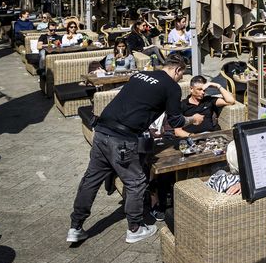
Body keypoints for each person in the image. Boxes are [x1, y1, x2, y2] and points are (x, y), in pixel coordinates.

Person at [68, 55, 200, 244]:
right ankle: (135, 228)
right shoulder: (171, 86)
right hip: (122, 139)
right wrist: (193, 119)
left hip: (102, 131)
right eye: (181, 75)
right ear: (178, 70)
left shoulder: (140, 75)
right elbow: (176, 120)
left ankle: (75, 227)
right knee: (136, 182)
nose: (180, 79)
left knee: (91, 180)